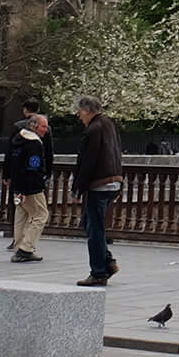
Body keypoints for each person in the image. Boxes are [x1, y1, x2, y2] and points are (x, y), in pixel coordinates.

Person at [74, 95, 124, 285]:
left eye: (79, 113)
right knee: (89, 222)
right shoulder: (109, 124)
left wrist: (78, 188)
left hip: (99, 183)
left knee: (94, 228)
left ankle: (99, 272)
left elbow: (87, 161)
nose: (79, 117)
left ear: (87, 111)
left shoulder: (93, 130)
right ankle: (108, 261)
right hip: (114, 180)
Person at [7, 113, 53, 262]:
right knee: (41, 215)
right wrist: (35, 185)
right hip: (31, 186)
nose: (46, 130)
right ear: (35, 127)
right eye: (43, 126)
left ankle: (18, 244)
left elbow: (12, 161)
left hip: (17, 184)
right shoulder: (35, 144)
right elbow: (33, 166)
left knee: (21, 214)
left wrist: (17, 186)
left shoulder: (17, 140)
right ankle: (26, 248)